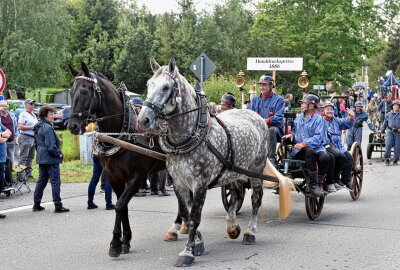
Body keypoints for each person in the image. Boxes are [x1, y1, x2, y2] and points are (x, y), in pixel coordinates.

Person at [282, 94, 329, 197]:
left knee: (325, 158)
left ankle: (317, 183)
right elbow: (295, 131)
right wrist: (291, 135)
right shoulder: (299, 118)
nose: (302, 105)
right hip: (299, 150)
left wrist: (304, 143)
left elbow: (318, 137)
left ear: (311, 106)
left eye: (304, 103)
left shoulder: (318, 119)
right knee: (309, 151)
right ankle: (313, 184)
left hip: (315, 148)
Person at [32, 105, 69, 213]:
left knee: (42, 181)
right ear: (45, 115)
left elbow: (36, 143)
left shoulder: (37, 126)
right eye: (51, 114)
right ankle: (58, 205)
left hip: (41, 156)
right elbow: (51, 146)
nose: (53, 116)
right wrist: (59, 154)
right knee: (55, 182)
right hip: (50, 157)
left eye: (53, 113)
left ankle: (36, 204)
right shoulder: (48, 127)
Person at [247, 74, 285, 164]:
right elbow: (249, 114)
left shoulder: (279, 100)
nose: (261, 87)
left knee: (271, 130)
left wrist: (266, 121)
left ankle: (272, 158)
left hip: (275, 129)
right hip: (258, 128)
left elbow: (278, 118)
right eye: (260, 85)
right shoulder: (255, 99)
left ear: (271, 86)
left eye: (264, 85)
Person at [321, 101, 355, 192]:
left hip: (339, 146)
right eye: (327, 109)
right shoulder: (320, 121)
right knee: (338, 157)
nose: (330, 111)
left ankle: (346, 181)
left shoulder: (336, 120)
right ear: (323, 111)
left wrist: (351, 117)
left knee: (349, 158)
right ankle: (334, 180)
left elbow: (346, 123)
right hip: (328, 146)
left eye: (331, 109)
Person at [17, 98, 38, 178]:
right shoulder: (23, 114)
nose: (33, 105)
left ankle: (28, 173)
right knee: (23, 157)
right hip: (25, 137)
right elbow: (20, 126)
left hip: (33, 137)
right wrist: (32, 127)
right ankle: (21, 175)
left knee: (30, 157)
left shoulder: (33, 114)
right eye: (31, 104)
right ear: (26, 105)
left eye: (33, 104)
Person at [0, 101, 19, 187]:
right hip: (2, 143)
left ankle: (9, 178)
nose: (4, 107)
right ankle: (3, 181)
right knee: (2, 161)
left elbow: (14, 128)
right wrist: (3, 136)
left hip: (10, 141)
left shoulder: (11, 115)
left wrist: (14, 137)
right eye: (2, 106)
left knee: (10, 160)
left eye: (6, 106)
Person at [380, 100, 400, 165]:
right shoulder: (388, 114)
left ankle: (395, 160)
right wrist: (381, 130)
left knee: (397, 147)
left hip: (398, 132)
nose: (396, 107)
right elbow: (385, 123)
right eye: (394, 106)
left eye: (397, 106)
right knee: (388, 145)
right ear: (392, 107)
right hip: (390, 132)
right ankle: (387, 159)